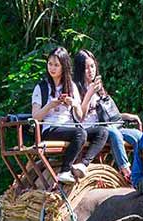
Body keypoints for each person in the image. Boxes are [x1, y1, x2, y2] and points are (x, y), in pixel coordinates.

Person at [31, 46, 108, 185]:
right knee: (80, 133)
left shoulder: (71, 86)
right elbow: (35, 117)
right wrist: (50, 105)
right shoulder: (41, 87)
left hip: (71, 127)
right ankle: (64, 171)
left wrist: (74, 104)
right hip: (50, 129)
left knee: (102, 132)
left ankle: (83, 165)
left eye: (56, 65)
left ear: (64, 66)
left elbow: (79, 117)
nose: (52, 68)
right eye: (50, 64)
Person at [73, 49, 142, 183]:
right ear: (79, 69)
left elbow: (109, 113)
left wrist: (126, 116)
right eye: (86, 68)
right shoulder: (76, 88)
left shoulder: (99, 88)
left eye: (92, 66)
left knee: (139, 136)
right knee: (114, 133)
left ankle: (140, 169)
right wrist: (89, 94)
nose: (90, 70)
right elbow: (80, 116)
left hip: (110, 125)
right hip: (92, 128)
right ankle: (125, 170)